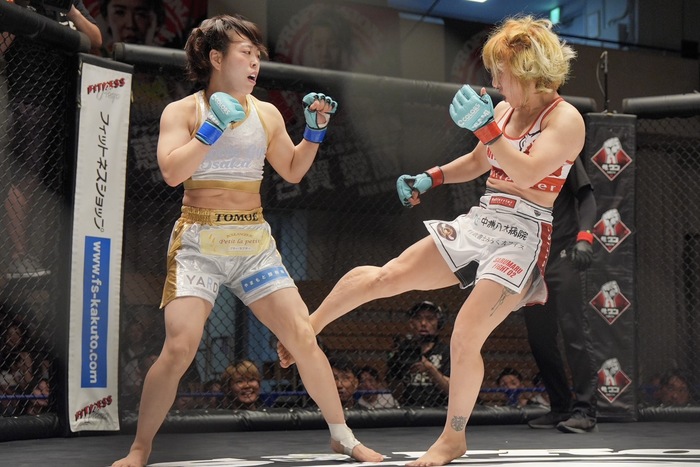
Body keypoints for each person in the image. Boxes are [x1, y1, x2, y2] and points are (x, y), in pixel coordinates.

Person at [279, 15, 583, 466]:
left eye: (501, 71)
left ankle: (453, 438)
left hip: (523, 236)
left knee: (466, 335)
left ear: (528, 70)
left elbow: (526, 172)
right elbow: (481, 161)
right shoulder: (505, 111)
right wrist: (431, 176)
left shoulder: (566, 118)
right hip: (485, 218)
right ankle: (309, 327)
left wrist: (487, 129)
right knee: (389, 275)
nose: (496, 81)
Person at [110, 14, 382, 467]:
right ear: (216, 58)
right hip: (200, 240)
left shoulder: (267, 113)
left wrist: (314, 130)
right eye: (246, 53)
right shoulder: (184, 111)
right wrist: (212, 128)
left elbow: (292, 170)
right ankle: (140, 448)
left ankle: (342, 435)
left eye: (257, 55)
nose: (255, 63)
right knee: (179, 347)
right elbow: (172, 172)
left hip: (251, 241)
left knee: (302, 336)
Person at [2, 0, 102, 279]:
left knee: (54, 183)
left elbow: (96, 40)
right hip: (28, 100)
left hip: (65, 102)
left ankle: (51, 256)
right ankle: (17, 256)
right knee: (25, 179)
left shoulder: (68, 2)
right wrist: (16, 12)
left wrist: (71, 11)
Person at [523, 156, 599, 433]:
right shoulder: (511, 153)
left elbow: (586, 196)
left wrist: (585, 237)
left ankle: (585, 410)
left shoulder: (561, 149)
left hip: (563, 253)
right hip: (531, 259)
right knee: (539, 337)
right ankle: (560, 407)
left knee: (573, 330)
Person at [387, 301, 450, 407]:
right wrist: (396, 370)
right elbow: (397, 395)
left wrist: (430, 369)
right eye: (418, 318)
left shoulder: (446, 351)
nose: (423, 323)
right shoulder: (403, 351)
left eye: (430, 319)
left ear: (438, 323)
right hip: (410, 410)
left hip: (441, 409)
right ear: (412, 323)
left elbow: (453, 390)